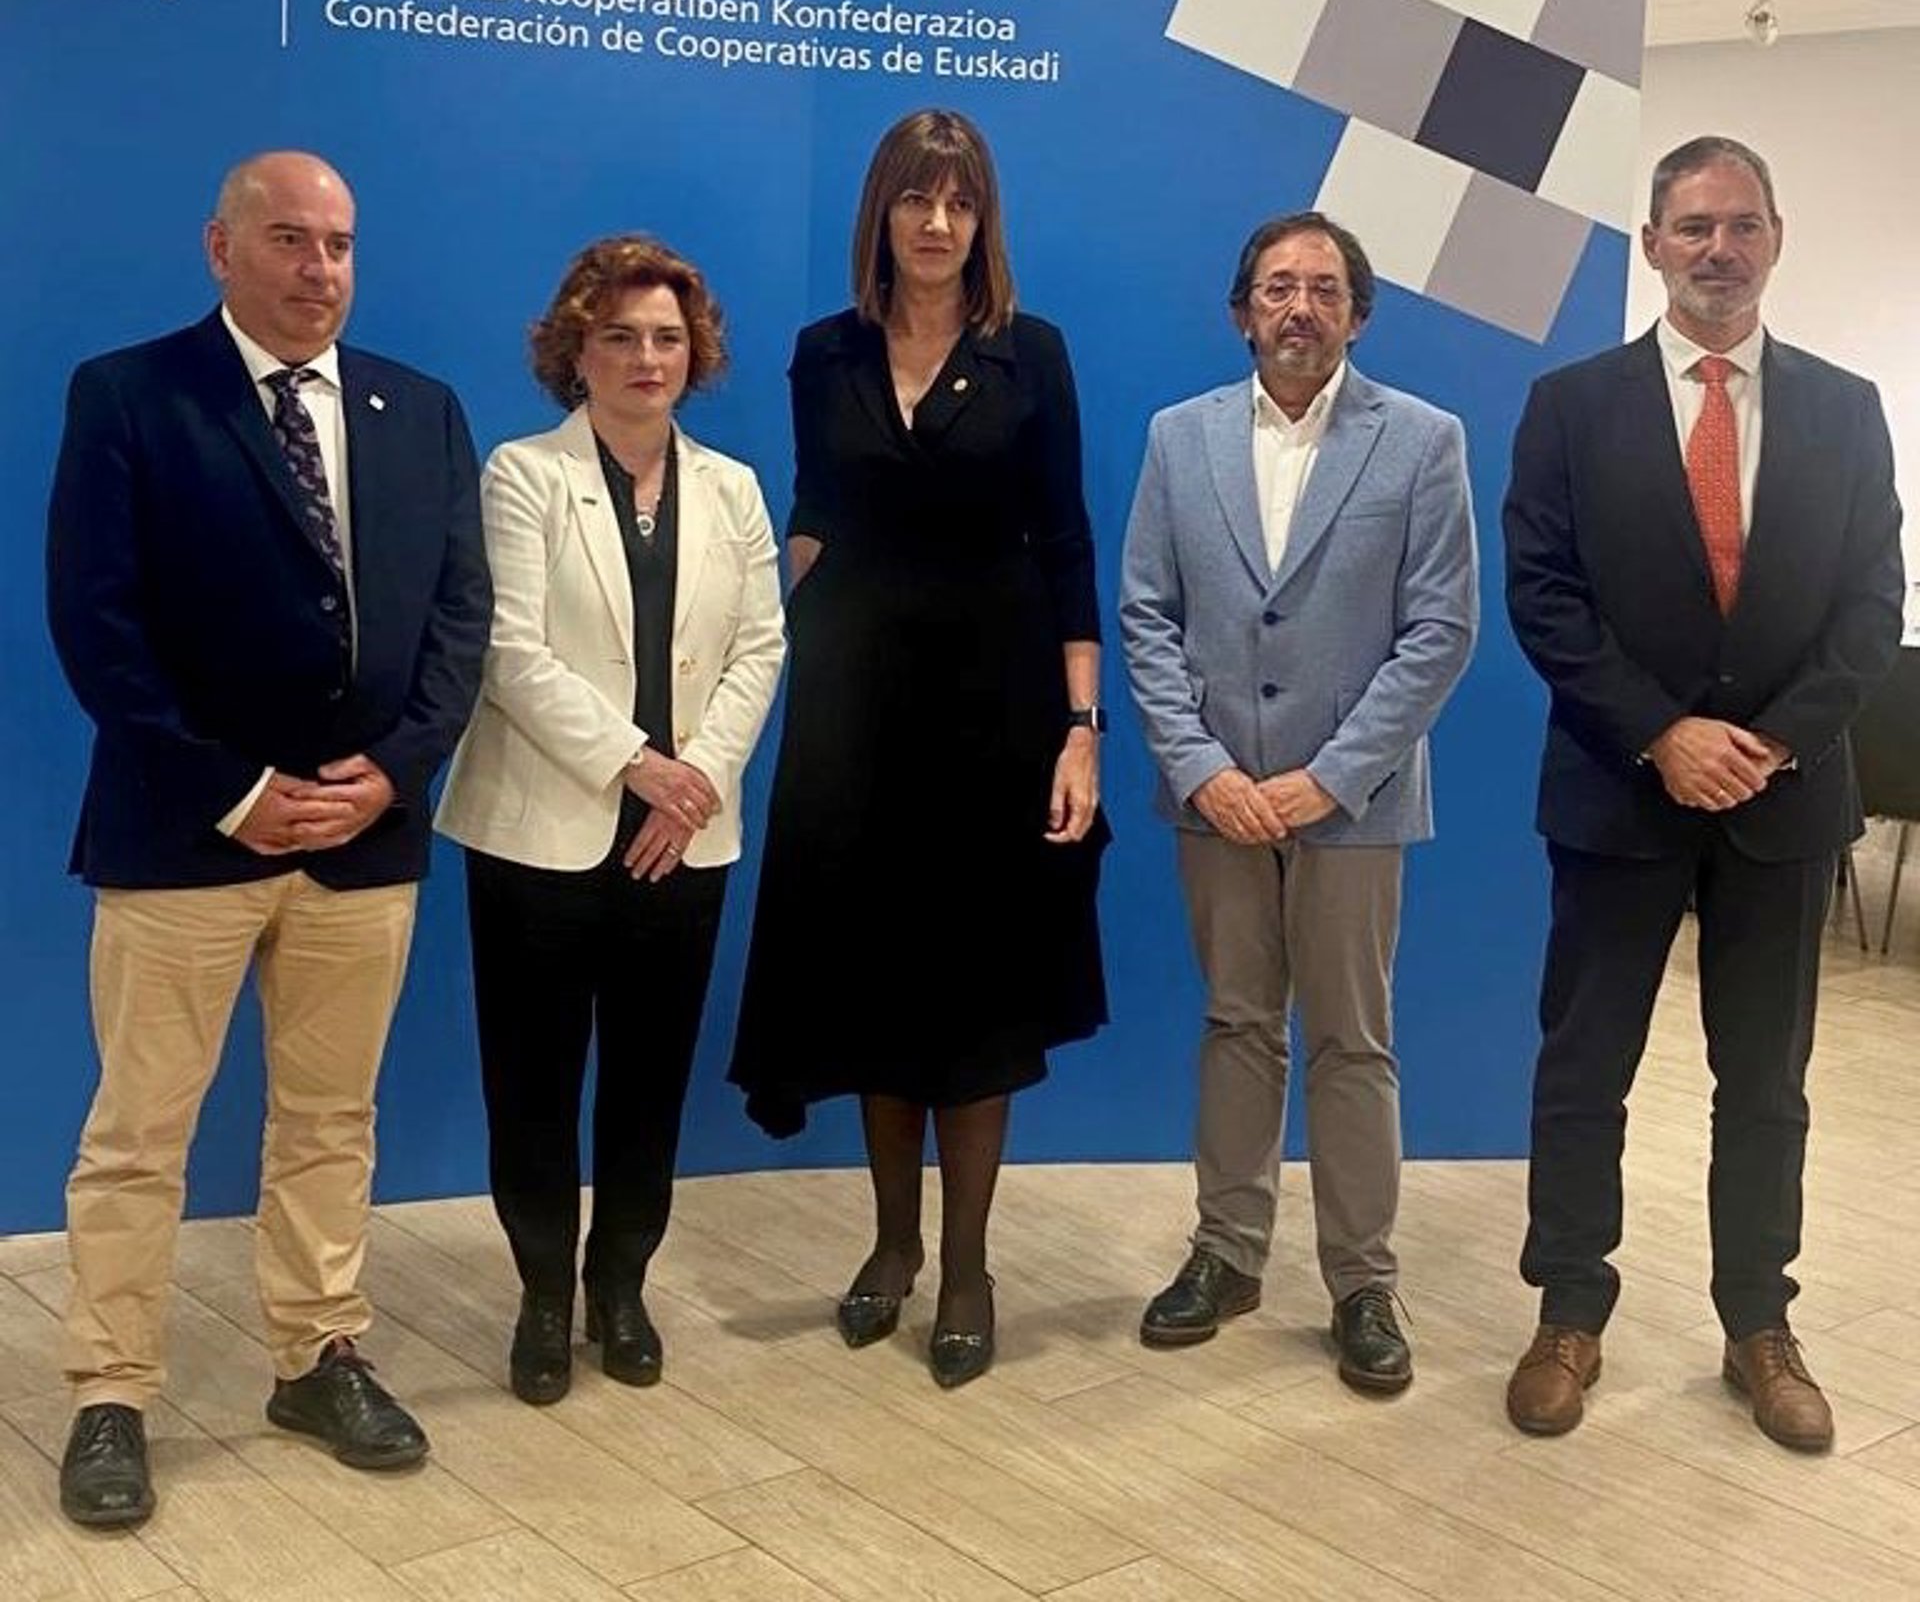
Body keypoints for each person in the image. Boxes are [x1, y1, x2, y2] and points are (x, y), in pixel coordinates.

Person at [46, 151, 490, 1527]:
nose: (320, 269)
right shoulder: (131, 395)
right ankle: (112, 1391)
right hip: (185, 836)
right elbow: (96, 622)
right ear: (221, 247)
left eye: (340, 243)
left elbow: (460, 620)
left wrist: (394, 773)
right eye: (290, 239)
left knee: (329, 1120)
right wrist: (230, 788)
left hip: (360, 842)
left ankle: (317, 1354)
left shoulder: (420, 409)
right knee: (139, 1132)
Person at [1501, 136, 1904, 1450]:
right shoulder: (1571, 405)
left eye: (1741, 224)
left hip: (1785, 805)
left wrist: (1770, 743)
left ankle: (1758, 1324)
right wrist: (1663, 733)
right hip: (1618, 794)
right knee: (1584, 1066)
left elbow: (1871, 605)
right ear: (1653, 244)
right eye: (1693, 226)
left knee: (1768, 1080)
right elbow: (1543, 598)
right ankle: (1569, 1309)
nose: (1718, 249)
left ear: (1775, 238)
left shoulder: (1846, 409)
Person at [728, 108, 1109, 1390]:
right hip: (853, 713)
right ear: (881, 213)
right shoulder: (822, 351)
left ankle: (967, 1266)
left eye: (958, 201)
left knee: (976, 994)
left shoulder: (1029, 353)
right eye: (914, 198)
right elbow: (812, 518)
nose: (936, 223)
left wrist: (1083, 730)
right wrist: (738, 644)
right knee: (875, 985)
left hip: (998, 713)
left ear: (983, 217)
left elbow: (1067, 541)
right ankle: (892, 1243)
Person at [1119, 210, 1477, 1393]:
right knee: (1236, 1023)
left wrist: (1329, 774)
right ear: (1242, 312)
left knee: (1352, 1039)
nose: (1301, 308)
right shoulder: (1179, 438)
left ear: (1357, 314)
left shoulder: (1422, 441)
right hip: (1217, 800)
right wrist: (1202, 768)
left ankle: (1363, 1281)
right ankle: (1227, 1252)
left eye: (1325, 289)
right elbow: (1146, 615)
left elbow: (1440, 630)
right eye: (1278, 287)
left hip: (1352, 806)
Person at [436, 235, 784, 1404]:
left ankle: (620, 1283)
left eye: (668, 338)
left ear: (697, 353)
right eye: (621, 335)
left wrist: (696, 780)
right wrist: (639, 765)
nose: (647, 357)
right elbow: (509, 651)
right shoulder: (522, 475)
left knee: (649, 1074)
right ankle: (543, 1291)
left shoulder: (733, 489)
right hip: (540, 830)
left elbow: (760, 647)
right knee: (532, 1076)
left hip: (685, 836)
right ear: (575, 350)